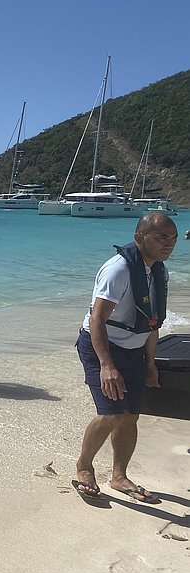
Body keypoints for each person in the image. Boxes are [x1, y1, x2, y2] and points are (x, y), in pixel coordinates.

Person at [73, 212, 177, 503]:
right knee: (110, 414)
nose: (168, 244)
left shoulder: (159, 270)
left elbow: (152, 322)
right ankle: (84, 467)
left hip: (134, 350)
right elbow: (97, 320)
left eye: (172, 238)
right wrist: (106, 365)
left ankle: (119, 477)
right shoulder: (117, 270)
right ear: (139, 238)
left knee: (130, 415)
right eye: (161, 238)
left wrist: (150, 363)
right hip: (102, 347)